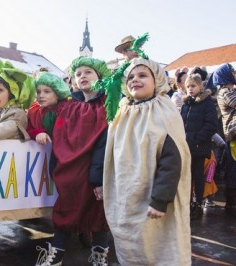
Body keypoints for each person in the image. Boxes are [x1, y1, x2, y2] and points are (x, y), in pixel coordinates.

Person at [102, 57, 192, 265]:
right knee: (131, 247)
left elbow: (172, 159)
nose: (135, 80)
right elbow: (111, 153)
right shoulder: (122, 112)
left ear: (157, 80)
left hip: (154, 198)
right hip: (127, 195)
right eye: (131, 77)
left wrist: (160, 199)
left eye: (143, 75)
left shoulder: (164, 111)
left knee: (158, 247)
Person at [35, 56, 114, 266]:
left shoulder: (108, 105)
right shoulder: (69, 105)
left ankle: (99, 256)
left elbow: (105, 143)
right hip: (69, 169)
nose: (83, 76)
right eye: (78, 73)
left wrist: (98, 177)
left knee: (97, 214)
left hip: (94, 170)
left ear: (100, 76)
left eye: (88, 72)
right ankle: (56, 255)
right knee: (66, 209)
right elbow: (43, 111)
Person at [181, 74, 218, 219]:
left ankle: (197, 204)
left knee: (197, 176)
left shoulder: (207, 103)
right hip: (186, 145)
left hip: (198, 146)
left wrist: (196, 139)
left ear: (200, 86)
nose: (190, 89)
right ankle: (187, 202)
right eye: (188, 86)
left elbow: (211, 125)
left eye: (193, 86)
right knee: (186, 176)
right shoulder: (186, 104)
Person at [205, 63, 236, 217]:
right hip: (234, 135)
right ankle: (231, 203)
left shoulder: (230, 91)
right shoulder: (225, 92)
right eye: (232, 72)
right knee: (233, 169)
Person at [27, 71, 71, 145]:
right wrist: (37, 133)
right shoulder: (34, 112)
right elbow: (28, 128)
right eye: (38, 92)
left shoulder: (67, 110)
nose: (41, 95)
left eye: (47, 92)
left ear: (58, 93)